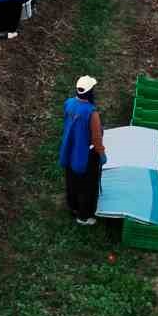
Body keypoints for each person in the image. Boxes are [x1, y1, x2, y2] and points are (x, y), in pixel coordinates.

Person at [59, 75, 106, 225]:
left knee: (72, 180)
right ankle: (84, 216)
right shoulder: (92, 114)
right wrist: (102, 153)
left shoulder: (69, 104)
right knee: (87, 186)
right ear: (91, 92)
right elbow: (96, 139)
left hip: (70, 148)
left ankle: (73, 207)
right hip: (85, 153)